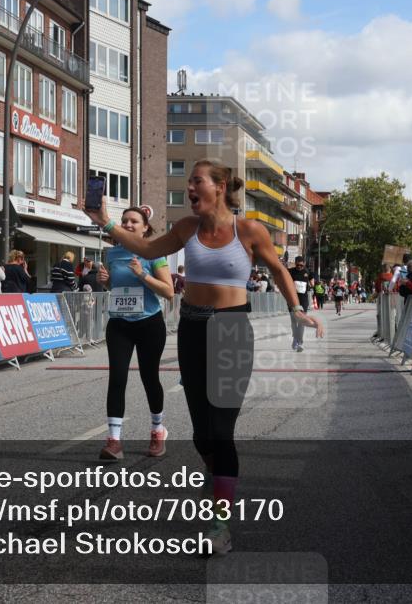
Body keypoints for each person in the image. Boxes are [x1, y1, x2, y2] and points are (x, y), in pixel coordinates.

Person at [85, 158, 323, 555]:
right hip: (193, 328)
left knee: (221, 429)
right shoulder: (185, 229)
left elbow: (279, 270)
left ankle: (220, 523)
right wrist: (104, 221)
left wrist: (295, 308)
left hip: (231, 328)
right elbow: (145, 246)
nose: (190, 187)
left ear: (219, 186)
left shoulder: (248, 230)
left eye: (197, 181)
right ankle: (221, 484)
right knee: (200, 435)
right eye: (190, 182)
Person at [96, 207, 175, 461]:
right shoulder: (113, 253)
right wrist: (106, 281)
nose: (128, 224)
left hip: (149, 323)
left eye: (134, 221)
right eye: (125, 221)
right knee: (117, 378)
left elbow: (169, 292)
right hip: (119, 323)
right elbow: (116, 287)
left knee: (149, 377)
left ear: (145, 228)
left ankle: (157, 429)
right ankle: (114, 441)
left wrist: (142, 274)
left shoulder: (154, 253)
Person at [288, 256, 312, 352]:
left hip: (303, 300)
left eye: (301, 265)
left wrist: (312, 284)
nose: (299, 267)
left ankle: (300, 342)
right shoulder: (290, 271)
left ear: (304, 264)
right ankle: (295, 339)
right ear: (295, 263)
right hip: (292, 299)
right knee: (294, 322)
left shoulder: (308, 272)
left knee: (302, 321)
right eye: (298, 265)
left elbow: (312, 282)